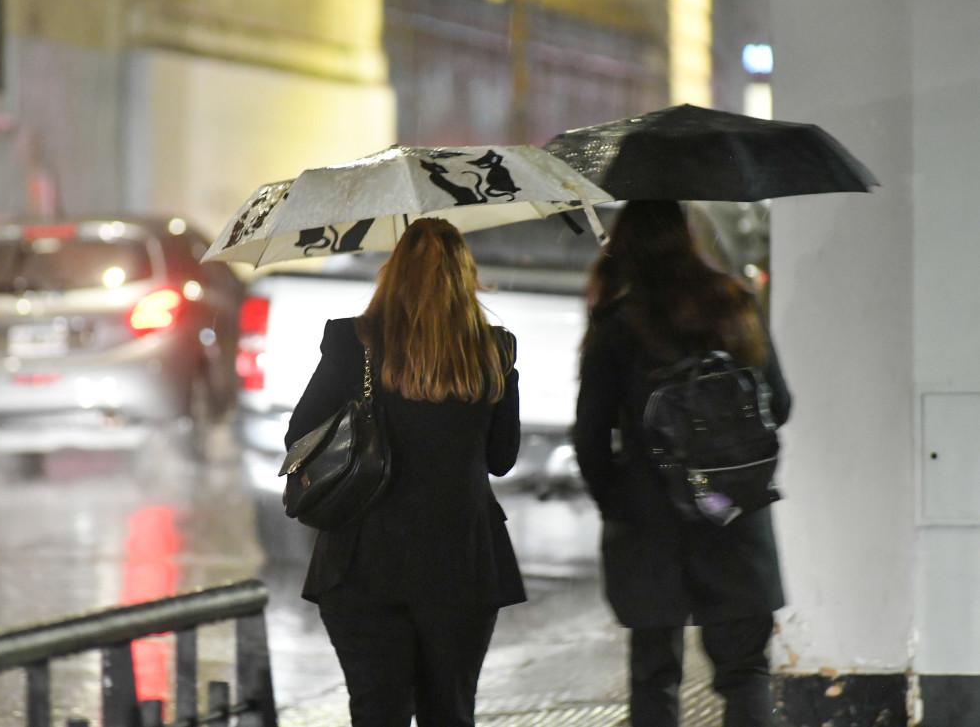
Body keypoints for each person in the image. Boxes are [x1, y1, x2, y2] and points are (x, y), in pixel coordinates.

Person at [285, 217, 525, 727]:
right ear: (466, 278)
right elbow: (502, 459)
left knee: (376, 712)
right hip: (460, 563)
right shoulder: (494, 349)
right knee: (450, 713)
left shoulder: (353, 344)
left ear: (392, 274)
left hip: (361, 563)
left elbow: (299, 439)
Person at [573, 200, 792, 727]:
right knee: (746, 672)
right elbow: (778, 405)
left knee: (655, 674)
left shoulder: (618, 322)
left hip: (649, 522)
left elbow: (589, 435)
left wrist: (618, 502)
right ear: (689, 236)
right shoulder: (735, 302)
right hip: (735, 512)